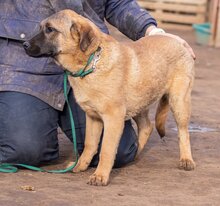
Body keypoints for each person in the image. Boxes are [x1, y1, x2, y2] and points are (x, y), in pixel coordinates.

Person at [0, 0, 195, 168]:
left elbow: (117, 3)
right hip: (25, 69)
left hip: (92, 61)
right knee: (24, 150)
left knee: (120, 154)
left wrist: (153, 31)